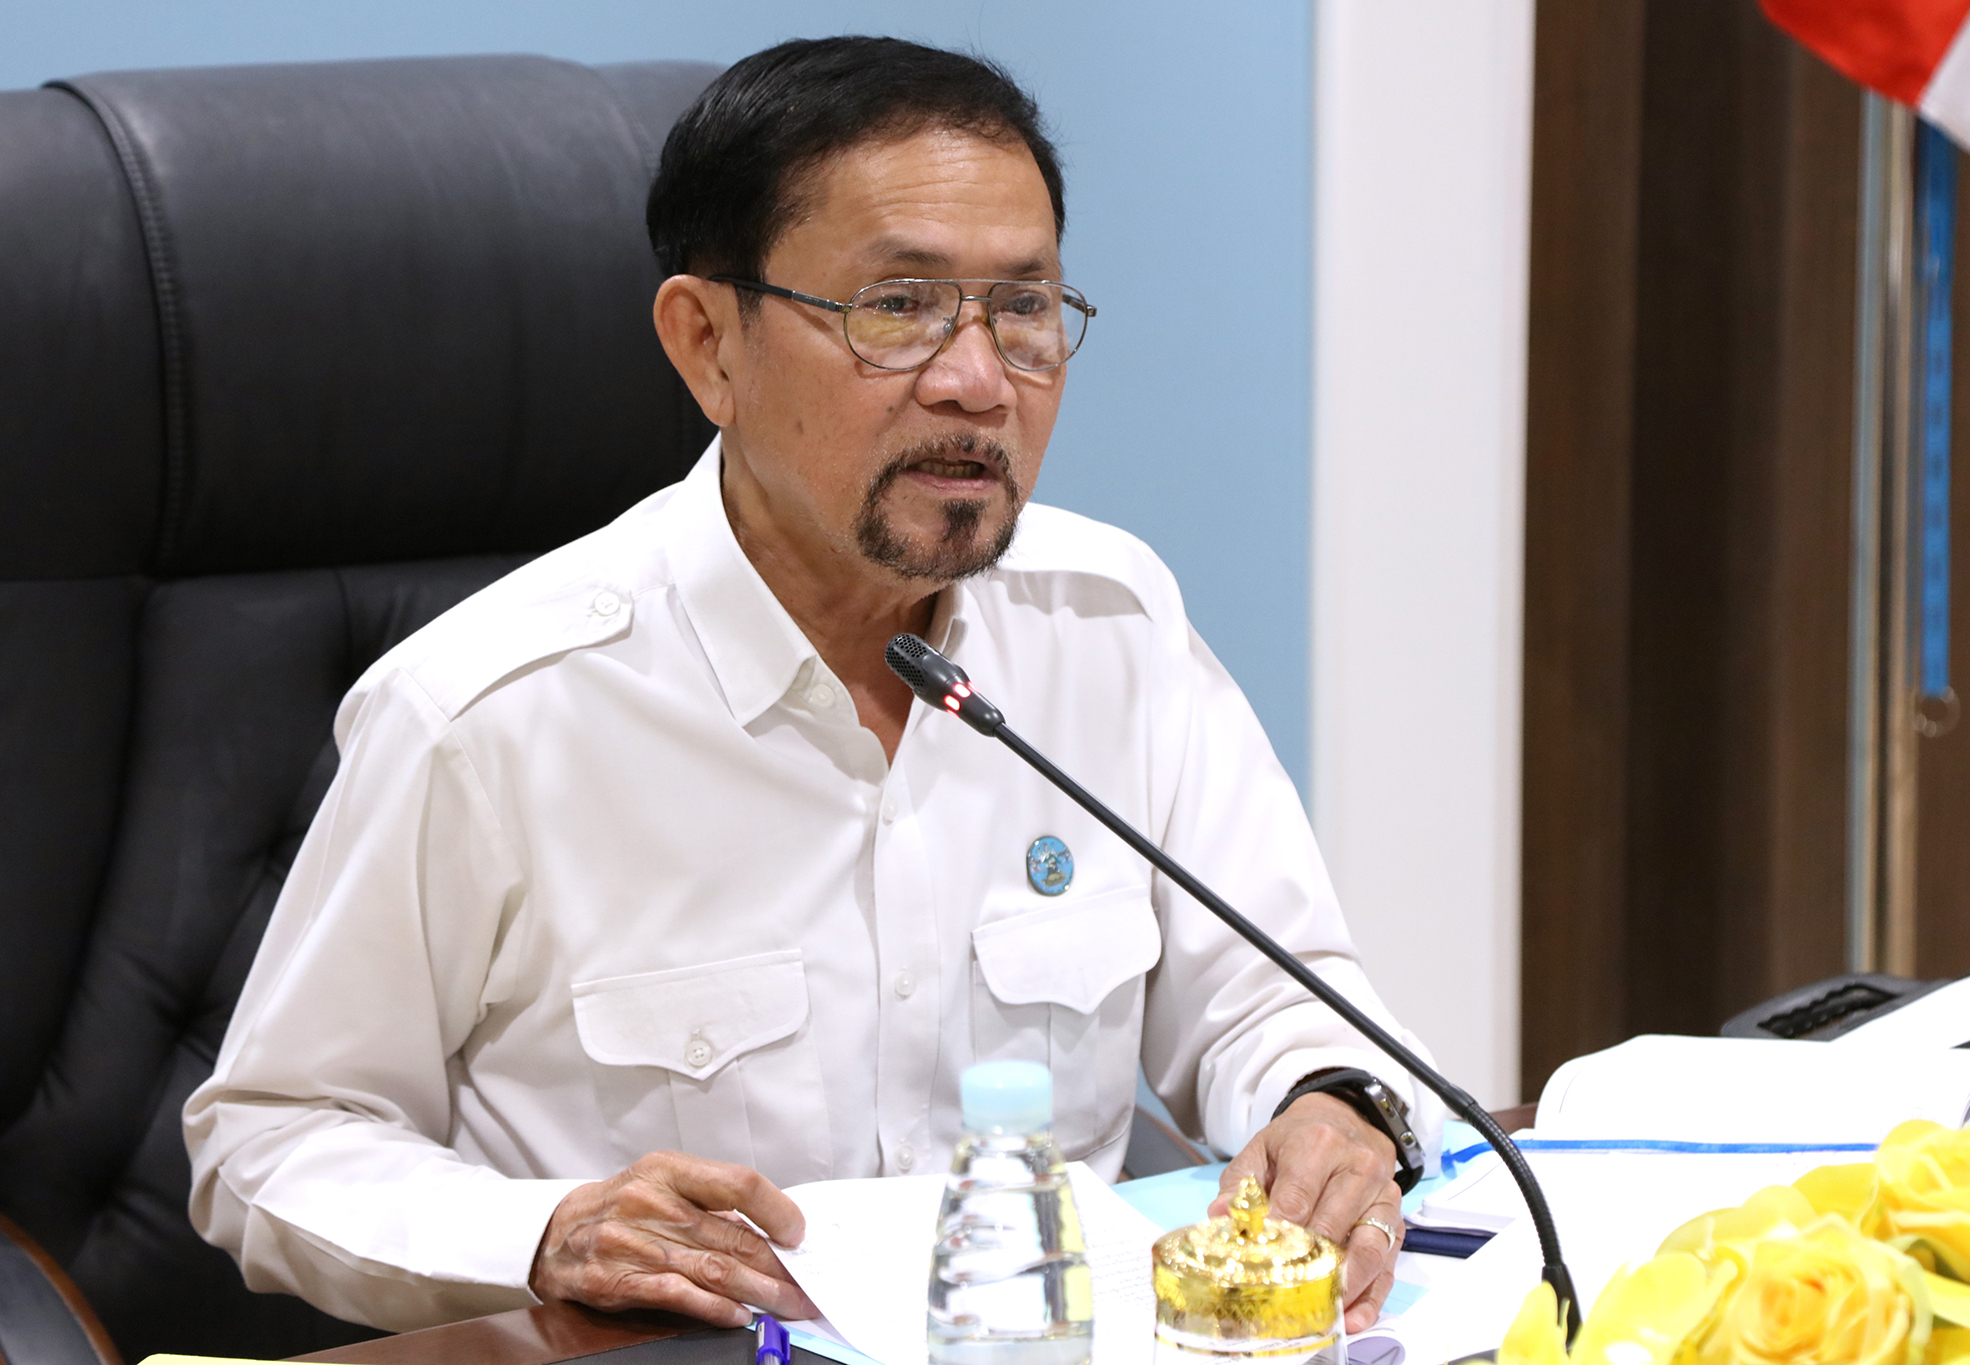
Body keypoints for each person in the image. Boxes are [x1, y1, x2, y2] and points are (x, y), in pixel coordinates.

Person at [184, 35, 1444, 1339]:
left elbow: (1273, 999)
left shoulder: (1109, 627)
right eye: (897, 307)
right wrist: (549, 1231)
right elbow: (272, 1140)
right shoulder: (489, 713)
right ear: (708, 345)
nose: (977, 382)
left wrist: (1330, 1104)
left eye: (1023, 310)